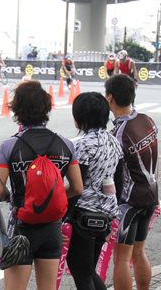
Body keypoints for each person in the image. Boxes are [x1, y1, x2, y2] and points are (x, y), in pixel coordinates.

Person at [0, 80, 83, 290]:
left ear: (17, 110)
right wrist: (53, 196)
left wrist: (10, 198)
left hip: (21, 228)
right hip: (52, 228)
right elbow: (78, 187)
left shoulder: (9, 146)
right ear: (46, 108)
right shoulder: (66, 144)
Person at [105, 74, 159, 290]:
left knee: (121, 259)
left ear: (109, 97)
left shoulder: (118, 132)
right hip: (151, 195)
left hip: (129, 203)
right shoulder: (147, 119)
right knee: (139, 252)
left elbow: (111, 174)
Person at [66, 92, 124, 290]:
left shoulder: (82, 145)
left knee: (81, 273)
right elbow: (119, 183)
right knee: (88, 270)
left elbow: (77, 186)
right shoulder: (114, 143)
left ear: (81, 117)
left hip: (83, 217)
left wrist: (64, 215)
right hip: (106, 216)